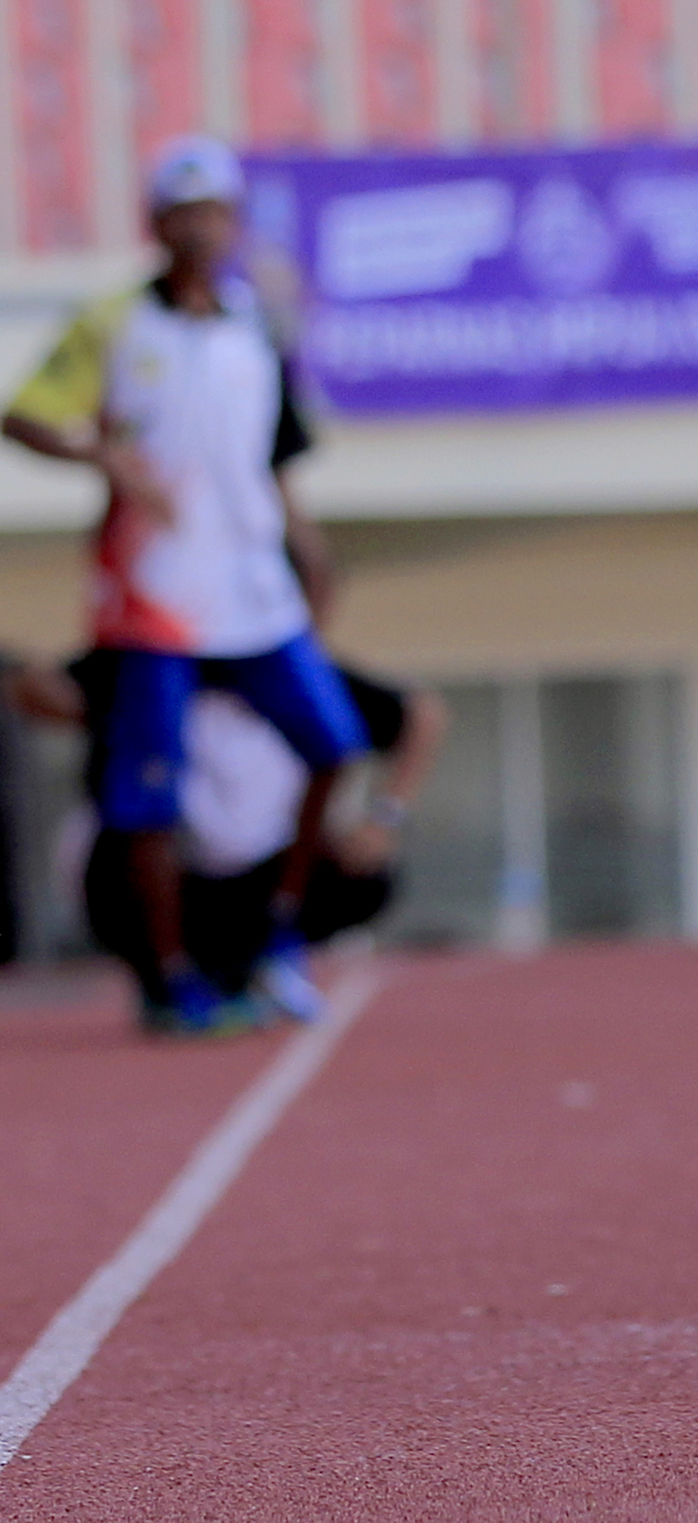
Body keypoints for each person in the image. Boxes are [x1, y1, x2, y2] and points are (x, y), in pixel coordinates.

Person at [4, 138, 358, 1035]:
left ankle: (278, 931)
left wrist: (304, 539)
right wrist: (104, 453)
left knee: (332, 746)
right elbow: (26, 416)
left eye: (217, 215)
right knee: (148, 797)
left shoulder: (254, 325)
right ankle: (168, 980)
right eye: (185, 214)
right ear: (156, 224)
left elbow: (274, 453)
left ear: (235, 225)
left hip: (253, 589)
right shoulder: (114, 323)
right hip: (157, 596)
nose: (202, 231)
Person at [10, 649, 440, 1018]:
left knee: (363, 874)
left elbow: (419, 715)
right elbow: (31, 688)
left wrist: (384, 819)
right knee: (138, 834)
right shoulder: (141, 656)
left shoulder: (283, 659)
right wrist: (111, 712)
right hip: (159, 868)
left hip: (263, 866)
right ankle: (166, 974)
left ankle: (266, 955)